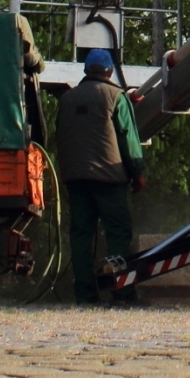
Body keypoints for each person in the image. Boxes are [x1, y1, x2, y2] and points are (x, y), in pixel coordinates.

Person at [56, 48, 147, 305]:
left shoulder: (67, 99)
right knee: (117, 233)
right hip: (109, 179)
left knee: (81, 235)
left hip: (75, 178)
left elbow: (60, 135)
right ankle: (122, 292)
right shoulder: (116, 96)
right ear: (109, 71)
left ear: (86, 70)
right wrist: (137, 172)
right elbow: (129, 139)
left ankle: (85, 295)